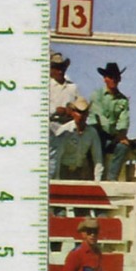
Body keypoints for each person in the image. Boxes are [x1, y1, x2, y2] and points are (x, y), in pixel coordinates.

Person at [89, 62, 132, 181]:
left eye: (116, 77)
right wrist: (116, 134)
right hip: (97, 135)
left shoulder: (123, 100)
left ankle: (112, 179)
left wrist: (120, 135)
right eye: (111, 77)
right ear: (105, 78)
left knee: (123, 147)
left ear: (119, 79)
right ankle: (93, 180)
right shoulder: (96, 95)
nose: (114, 80)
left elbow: (124, 120)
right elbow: (99, 118)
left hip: (112, 137)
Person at [52, 97, 103, 181]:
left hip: (81, 172)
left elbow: (97, 158)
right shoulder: (65, 130)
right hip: (64, 171)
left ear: (87, 114)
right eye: (79, 112)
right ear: (73, 113)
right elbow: (57, 157)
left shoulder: (92, 133)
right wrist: (56, 179)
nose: (81, 116)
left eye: (84, 113)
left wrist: (98, 180)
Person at [49, 52, 80, 180]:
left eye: (62, 67)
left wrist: (70, 111)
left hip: (68, 126)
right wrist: (55, 110)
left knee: (68, 160)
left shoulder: (72, 87)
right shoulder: (46, 85)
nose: (60, 71)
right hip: (51, 125)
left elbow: (79, 105)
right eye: (56, 67)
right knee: (52, 159)